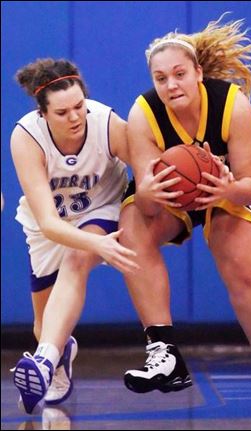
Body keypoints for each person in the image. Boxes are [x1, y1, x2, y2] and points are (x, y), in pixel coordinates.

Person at [119, 16, 251, 414]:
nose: (171, 85)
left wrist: (226, 190)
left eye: (180, 74)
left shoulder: (233, 104)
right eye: (161, 78)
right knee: (131, 228)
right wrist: (148, 192)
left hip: (232, 185)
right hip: (174, 194)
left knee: (239, 262)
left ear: (198, 72)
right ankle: (163, 351)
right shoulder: (143, 113)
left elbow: (250, 182)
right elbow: (148, 206)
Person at [11, 58, 139, 414]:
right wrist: (96, 244)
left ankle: (44, 362)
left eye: (79, 106)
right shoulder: (26, 137)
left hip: (102, 205)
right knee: (45, 323)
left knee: (77, 258)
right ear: (43, 114)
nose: (75, 117)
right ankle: (59, 353)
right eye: (63, 111)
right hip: (49, 223)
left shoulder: (108, 124)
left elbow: (147, 169)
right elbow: (50, 224)